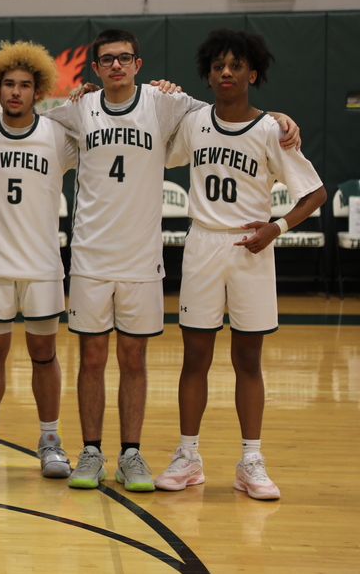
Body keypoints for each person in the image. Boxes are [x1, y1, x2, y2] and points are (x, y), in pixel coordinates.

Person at [45, 29, 300, 493]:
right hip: (89, 255)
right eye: (107, 60)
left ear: (139, 65)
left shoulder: (168, 104)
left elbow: (233, 113)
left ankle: (132, 454)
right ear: (96, 68)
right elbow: (31, 123)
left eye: (124, 58)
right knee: (92, 357)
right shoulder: (78, 109)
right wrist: (69, 94)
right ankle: (92, 450)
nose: (116, 66)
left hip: (143, 257)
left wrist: (278, 118)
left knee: (135, 359)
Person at [154, 29, 324, 500]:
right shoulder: (192, 123)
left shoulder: (271, 129)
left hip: (253, 247)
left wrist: (277, 227)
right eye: (217, 66)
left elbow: (314, 193)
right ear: (208, 75)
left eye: (235, 66)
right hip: (204, 244)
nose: (226, 73)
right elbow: (153, 145)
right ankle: (188, 456)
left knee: (248, 359)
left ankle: (251, 459)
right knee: (195, 358)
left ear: (253, 72)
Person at [0, 41, 76, 478]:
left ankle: (50, 440)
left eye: (25, 85)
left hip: (42, 267)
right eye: (9, 84)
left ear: (38, 90)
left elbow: (104, 131)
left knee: (44, 354)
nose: (16, 92)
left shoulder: (58, 134)